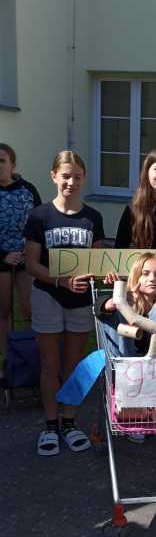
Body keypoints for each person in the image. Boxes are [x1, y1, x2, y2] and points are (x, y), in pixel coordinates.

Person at [24, 150, 104, 457]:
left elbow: (97, 261)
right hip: (48, 296)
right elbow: (31, 264)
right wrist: (60, 281)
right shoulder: (40, 216)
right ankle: (50, 424)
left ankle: (69, 422)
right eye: (66, 176)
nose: (71, 182)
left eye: (77, 177)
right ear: (54, 176)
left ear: (84, 179)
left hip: (80, 300)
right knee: (50, 366)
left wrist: (101, 272)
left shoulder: (92, 217)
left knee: (73, 366)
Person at [96, 251, 156, 442]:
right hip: (128, 370)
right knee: (119, 313)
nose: (152, 278)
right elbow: (99, 308)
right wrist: (111, 303)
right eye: (145, 273)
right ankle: (132, 405)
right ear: (135, 277)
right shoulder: (125, 297)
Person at [0, 143, 41, 378]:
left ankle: (30, 357)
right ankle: (7, 361)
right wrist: (3, 255)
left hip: (26, 260)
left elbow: (39, 223)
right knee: (3, 310)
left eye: (2, 161)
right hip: (1, 261)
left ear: (12, 165)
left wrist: (29, 251)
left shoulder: (28, 190)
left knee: (29, 309)